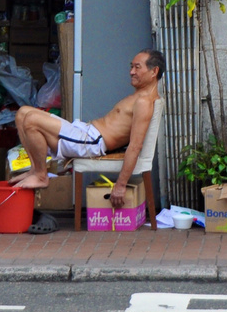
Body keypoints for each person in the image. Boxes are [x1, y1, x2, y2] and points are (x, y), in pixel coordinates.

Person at [9, 49, 162, 209]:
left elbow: (136, 145)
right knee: (22, 113)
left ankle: (41, 175)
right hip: (86, 133)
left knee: (31, 120)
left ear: (154, 71)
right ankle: (35, 169)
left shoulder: (144, 103)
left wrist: (121, 185)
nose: (131, 72)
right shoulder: (139, 96)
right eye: (131, 67)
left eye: (137, 67)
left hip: (92, 142)